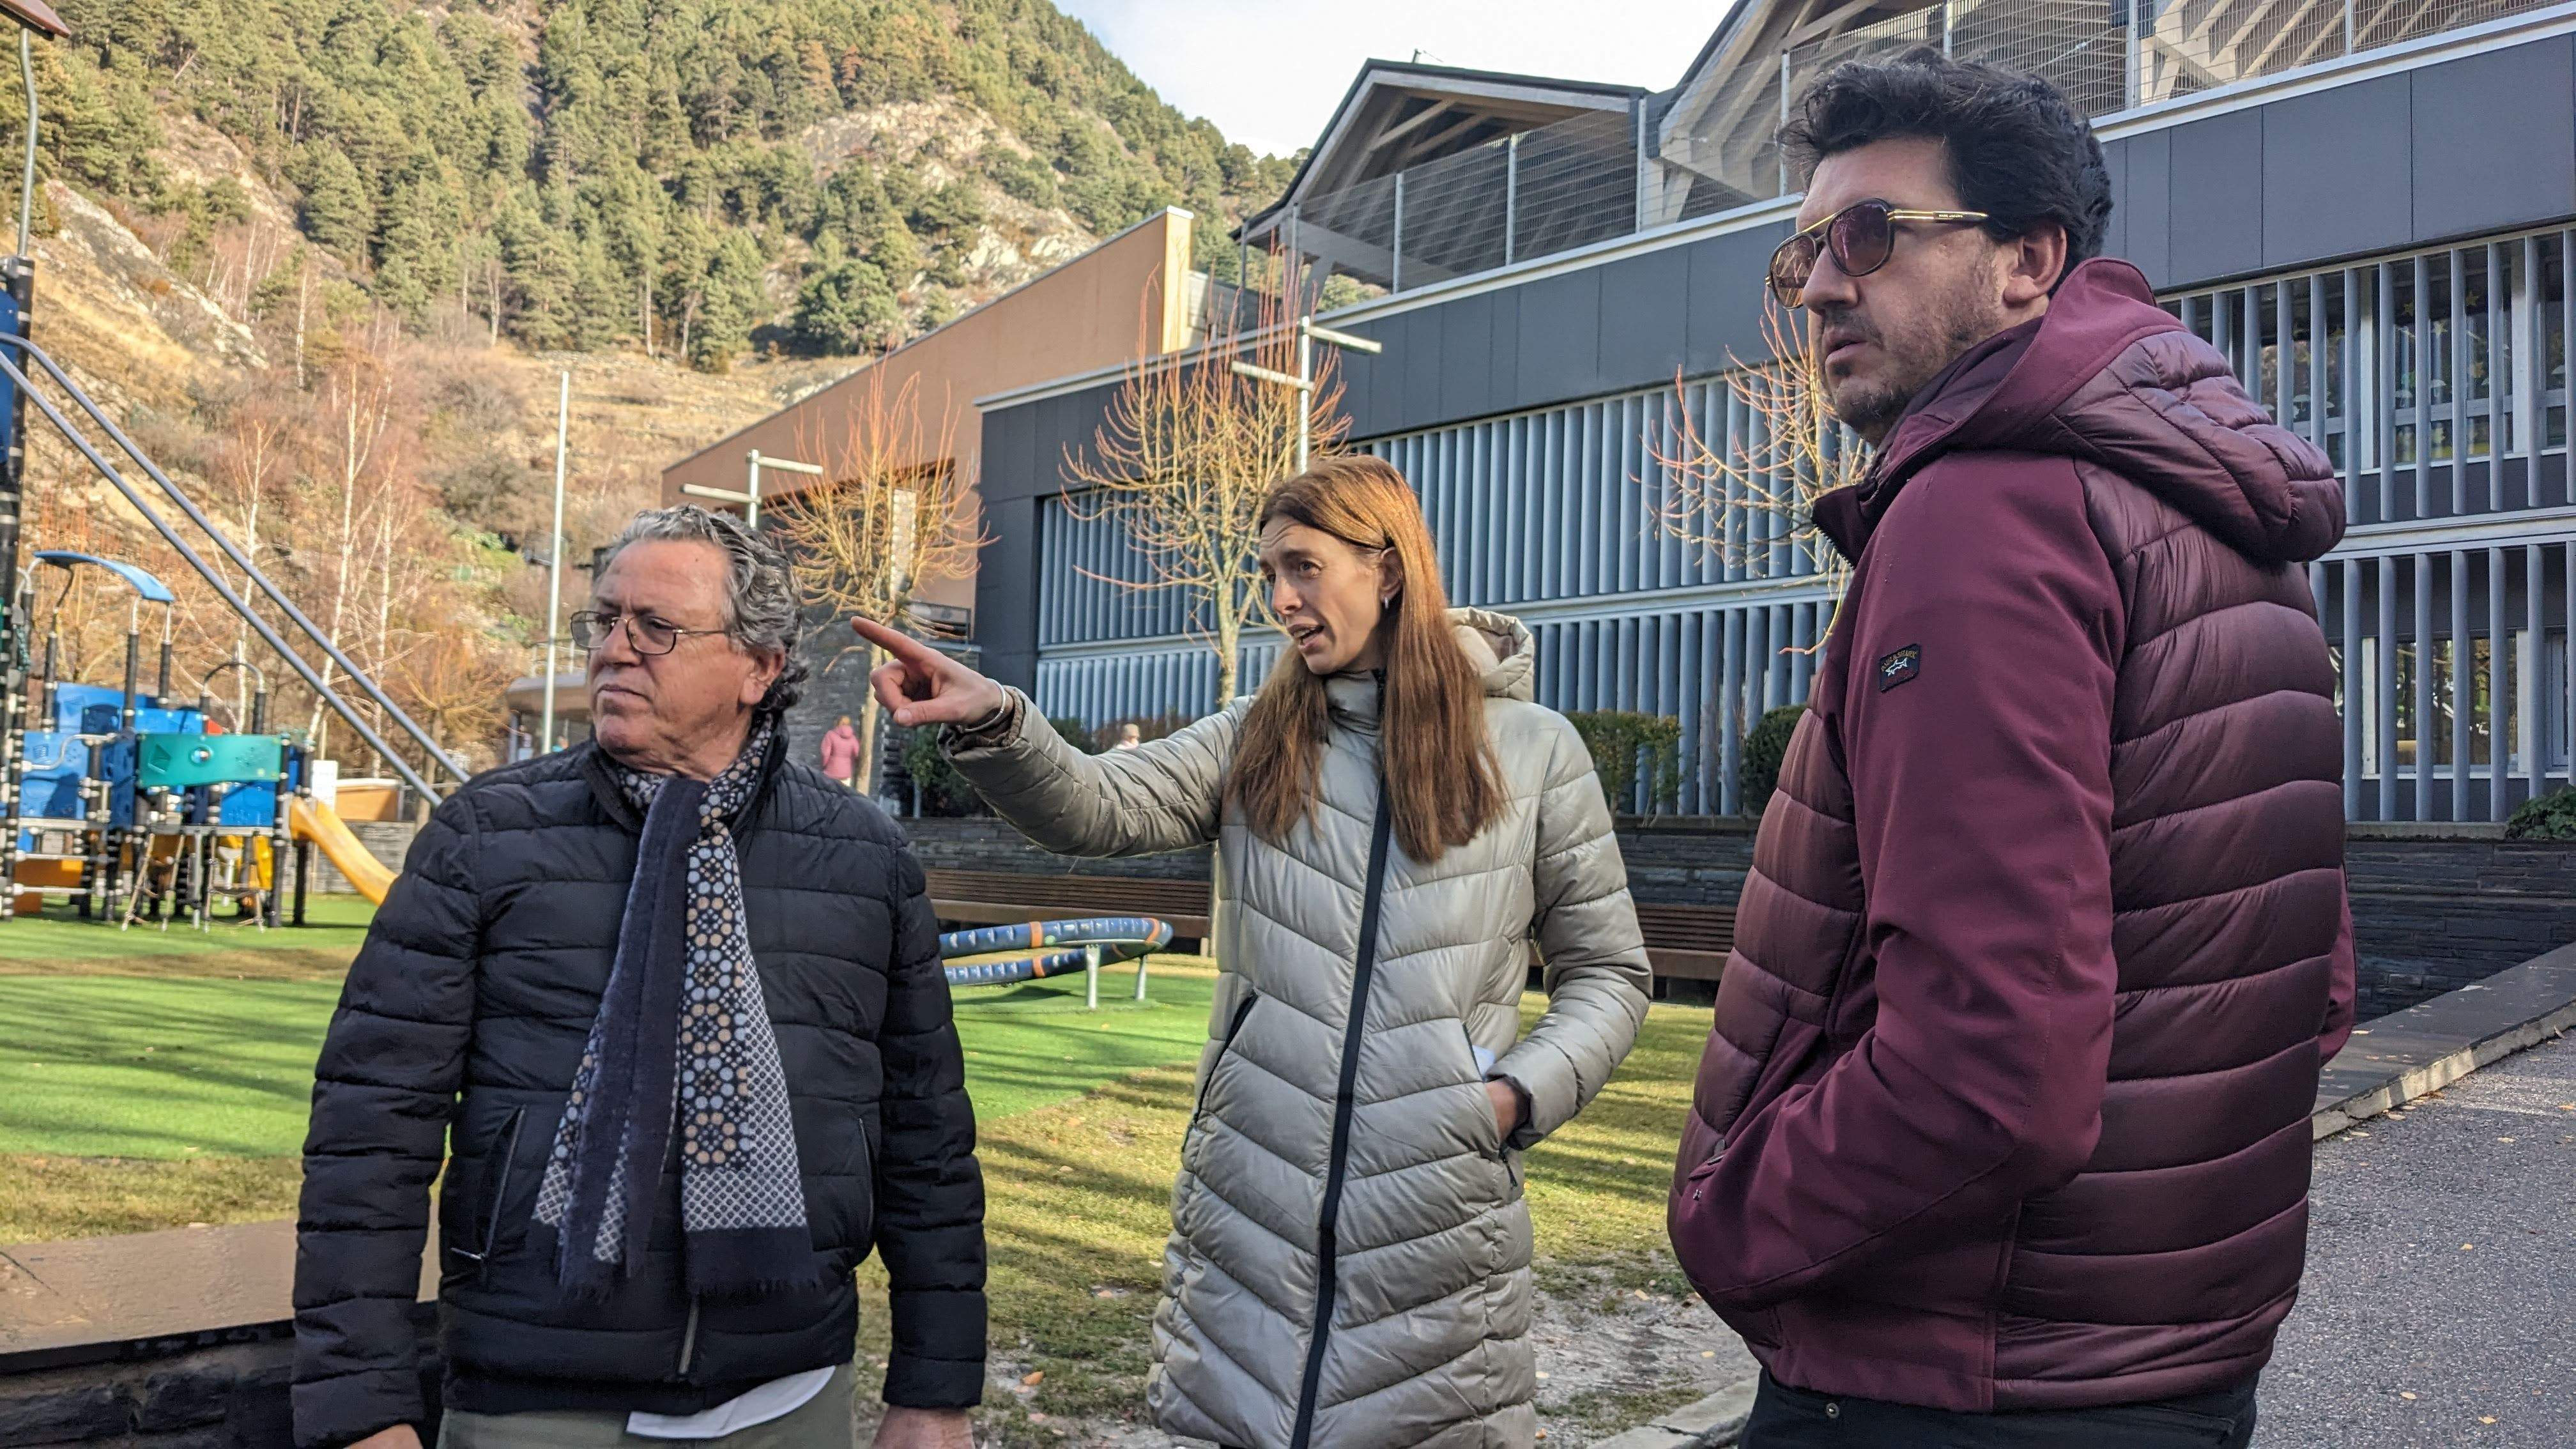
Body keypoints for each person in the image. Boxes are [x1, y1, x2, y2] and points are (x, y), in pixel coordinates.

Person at [1665, 50, 2353, 1449]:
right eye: (1801, 250)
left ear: (2029, 260)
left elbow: (1987, 1071)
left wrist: (1728, 1223)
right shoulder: (2206, 507)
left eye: (1869, 236)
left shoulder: (1986, 514)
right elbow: (2314, 982)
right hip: (2166, 1362)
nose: (1818, 286)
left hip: (1959, 1382)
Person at [857, 455, 1652, 1449]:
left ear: (1389, 569)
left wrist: (1512, 1097)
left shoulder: (1535, 752)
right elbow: (1101, 806)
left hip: (1443, 1223)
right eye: (1268, 571)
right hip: (1249, 1214)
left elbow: (1611, 974)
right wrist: (996, 720)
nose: (1280, 597)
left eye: (1304, 567)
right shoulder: (1257, 734)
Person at [293, 505, 985, 1449]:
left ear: (760, 667)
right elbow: (369, 1133)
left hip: (790, 1393)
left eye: (657, 628)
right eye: (605, 621)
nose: (616, 650)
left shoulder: (864, 858)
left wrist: (935, 1391)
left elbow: (927, 1138)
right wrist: (361, 1408)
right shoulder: (487, 837)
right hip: (536, 1398)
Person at [820, 714, 864, 787]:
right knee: (844, 796)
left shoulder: (830, 735)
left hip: (831, 772)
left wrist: (824, 765)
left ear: (838, 723)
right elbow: (857, 754)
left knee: (829, 795)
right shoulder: (853, 739)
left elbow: (826, 753)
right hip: (846, 774)